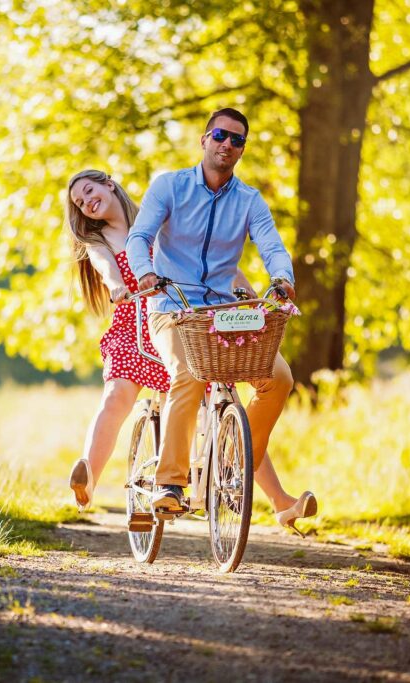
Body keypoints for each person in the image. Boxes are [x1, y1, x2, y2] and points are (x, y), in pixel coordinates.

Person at [126, 107, 317, 533]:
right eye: (220, 135)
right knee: (189, 374)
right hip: (172, 308)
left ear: (242, 150)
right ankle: (171, 485)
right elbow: (139, 236)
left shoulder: (249, 200)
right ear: (204, 139)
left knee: (279, 378)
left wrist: (282, 278)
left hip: (226, 313)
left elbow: (271, 244)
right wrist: (146, 273)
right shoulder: (170, 186)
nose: (227, 145)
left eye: (237, 141)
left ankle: (235, 463)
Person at [65, 170, 170, 511]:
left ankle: (277, 499)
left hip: (171, 320)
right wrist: (115, 286)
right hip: (131, 327)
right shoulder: (100, 241)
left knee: (195, 401)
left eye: (88, 191)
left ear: (108, 183)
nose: (86, 202)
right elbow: (104, 265)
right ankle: (88, 476)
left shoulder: (156, 219)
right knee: (116, 397)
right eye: (80, 203)